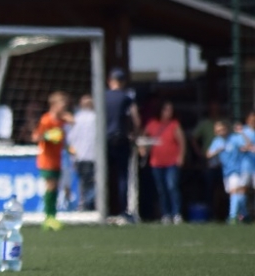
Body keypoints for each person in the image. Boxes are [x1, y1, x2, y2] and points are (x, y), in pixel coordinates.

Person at [31, 91, 73, 230]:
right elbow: (35, 137)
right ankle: (49, 217)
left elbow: (69, 128)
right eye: (62, 105)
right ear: (54, 105)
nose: (64, 108)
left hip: (57, 159)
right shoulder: (46, 120)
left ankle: (52, 216)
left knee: (55, 188)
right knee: (50, 186)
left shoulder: (61, 121)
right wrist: (48, 136)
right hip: (46, 160)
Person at [140, 101, 186, 224]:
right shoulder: (152, 124)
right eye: (166, 109)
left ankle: (176, 213)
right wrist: (142, 149)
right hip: (156, 162)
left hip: (172, 162)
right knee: (161, 189)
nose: (169, 112)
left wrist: (181, 156)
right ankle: (166, 214)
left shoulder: (174, 125)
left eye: (171, 110)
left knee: (172, 186)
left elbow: (181, 141)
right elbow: (143, 138)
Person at [104, 68, 140, 222]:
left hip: (105, 141)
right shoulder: (126, 97)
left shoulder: (103, 97)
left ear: (109, 81)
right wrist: (134, 135)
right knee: (122, 176)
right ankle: (123, 211)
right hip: (121, 139)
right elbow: (136, 118)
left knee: (103, 175)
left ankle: (102, 209)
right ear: (123, 82)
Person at [207, 120, 250, 224]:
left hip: (238, 170)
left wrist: (242, 133)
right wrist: (217, 150)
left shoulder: (234, 139)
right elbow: (208, 154)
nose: (221, 132)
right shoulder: (217, 141)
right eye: (218, 130)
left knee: (234, 192)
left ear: (226, 129)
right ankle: (245, 215)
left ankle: (233, 216)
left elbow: (247, 145)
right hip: (226, 171)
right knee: (238, 194)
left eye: (222, 129)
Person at [66, 94, 97, 211]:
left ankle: (83, 206)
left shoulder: (76, 118)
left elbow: (70, 139)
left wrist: (73, 154)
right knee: (91, 183)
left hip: (79, 156)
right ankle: (88, 207)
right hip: (93, 156)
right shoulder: (97, 118)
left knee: (83, 183)